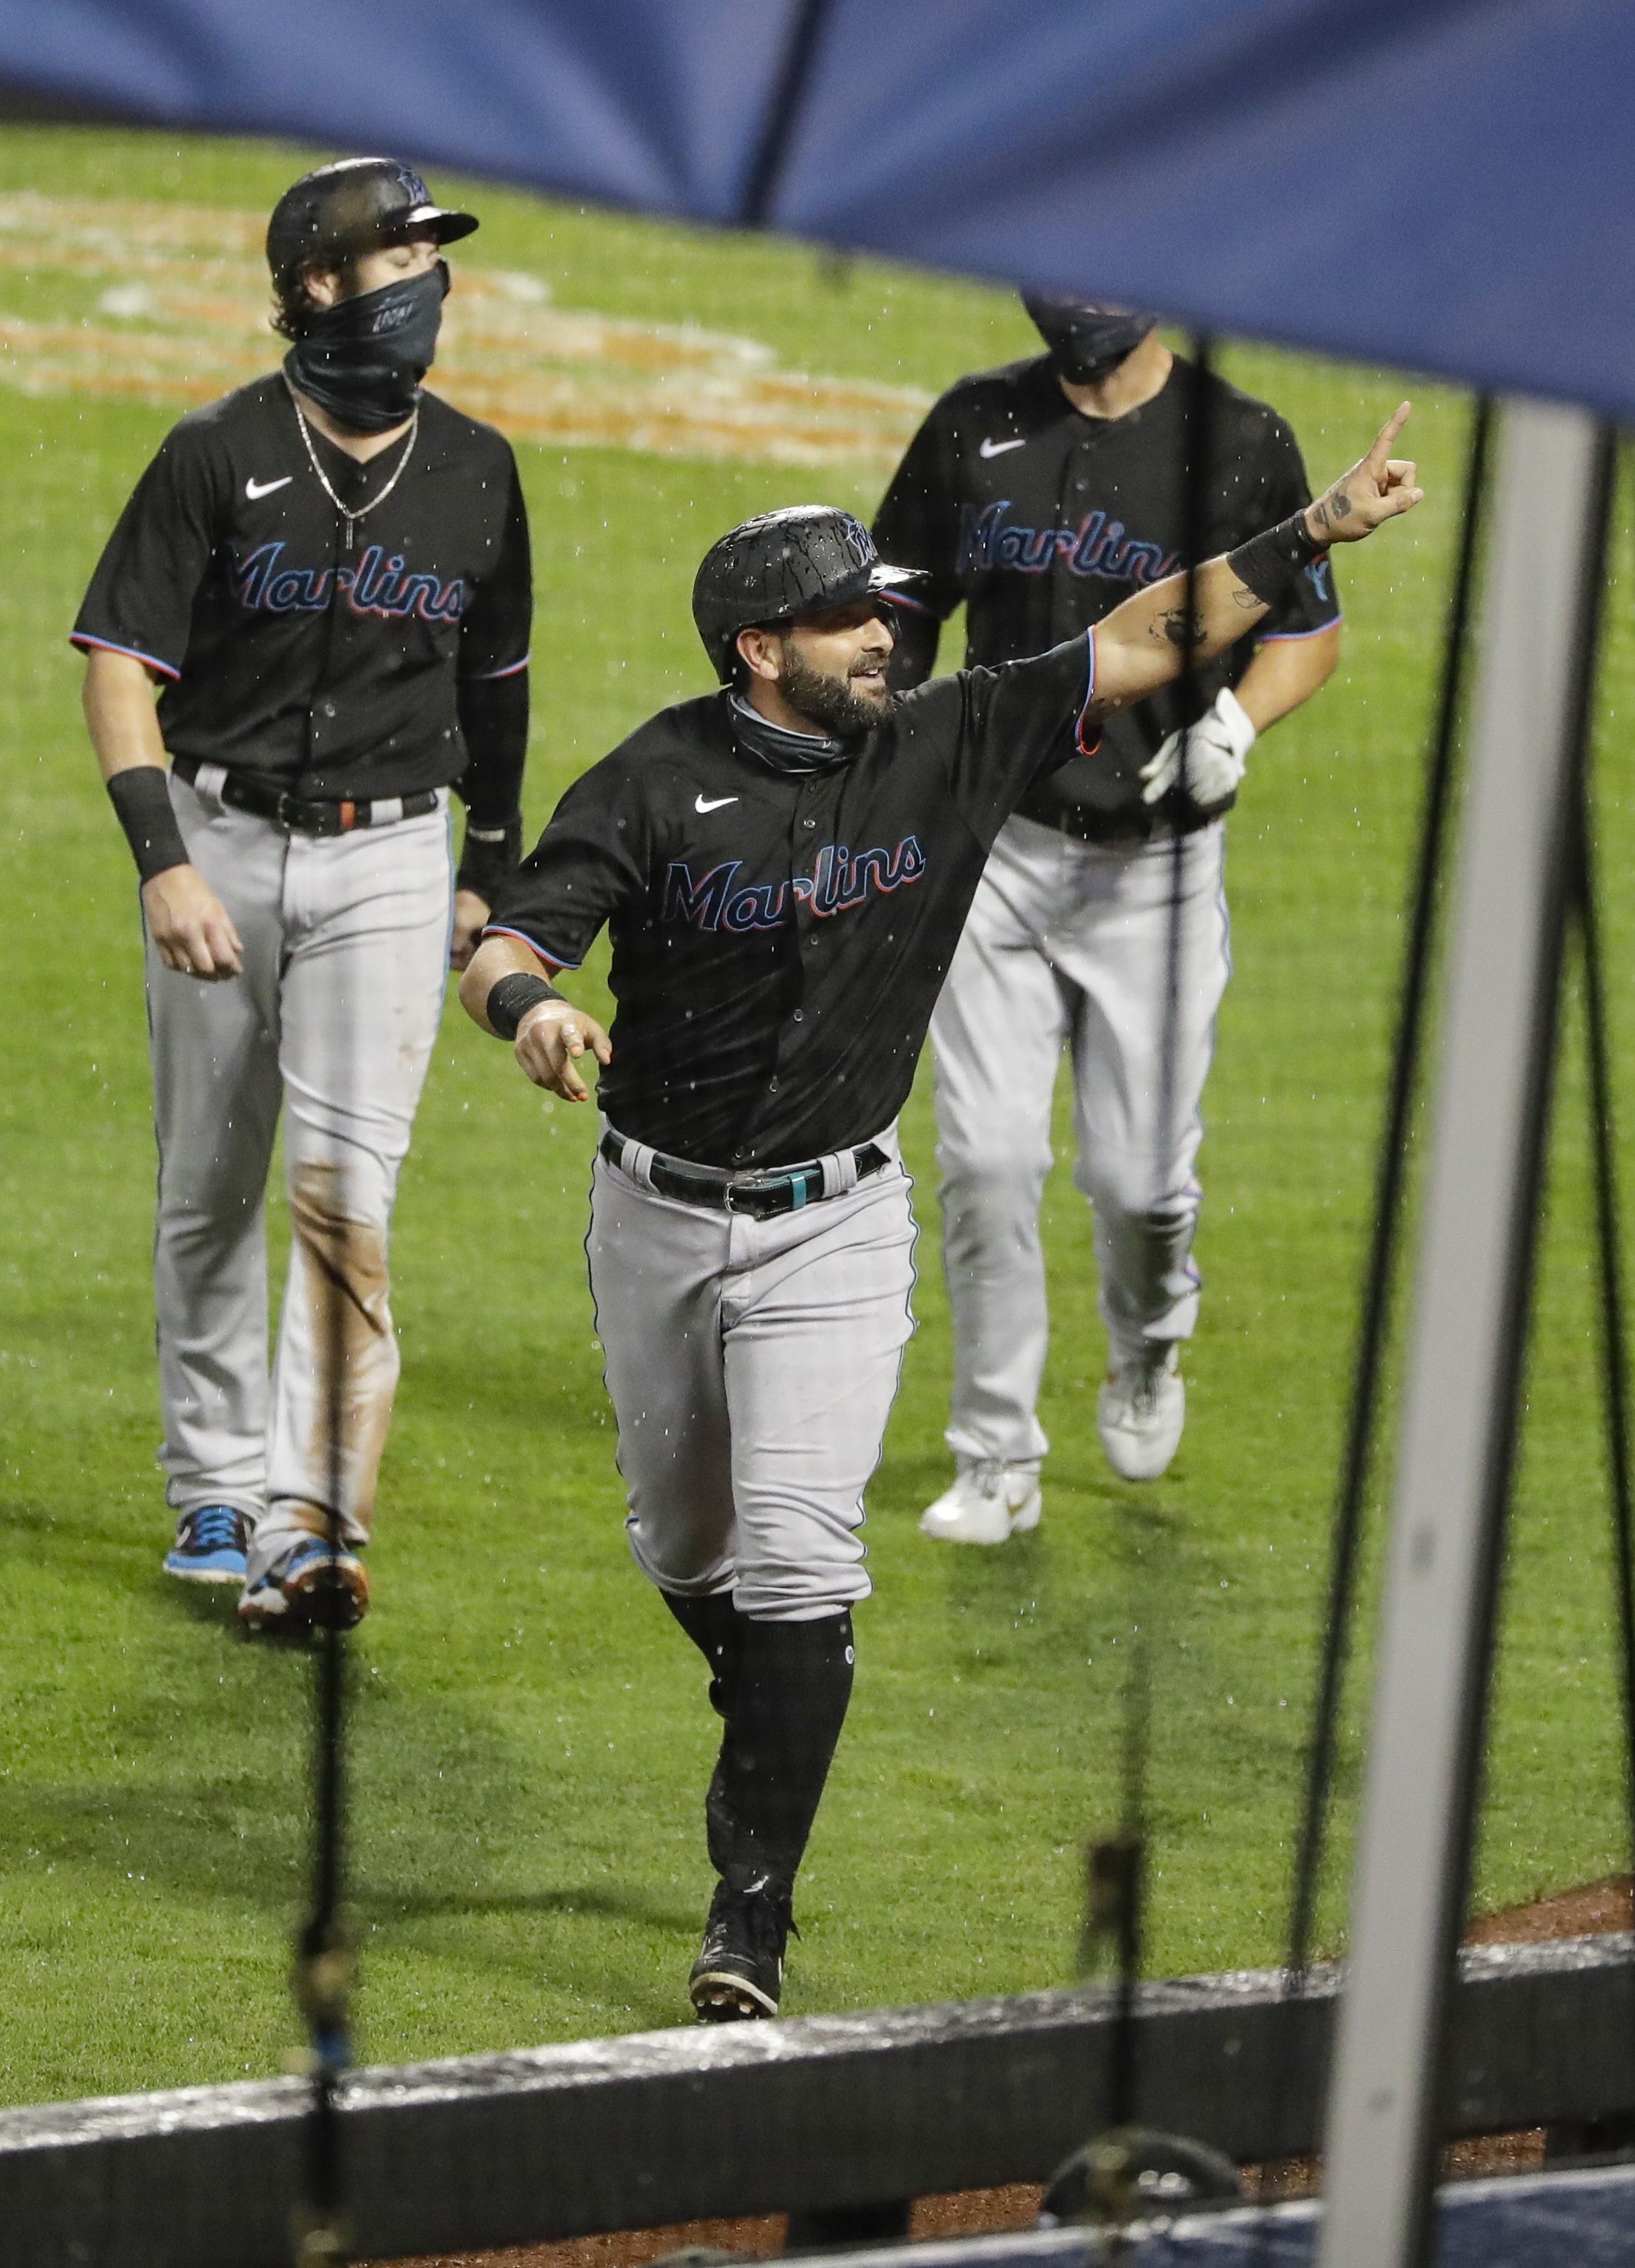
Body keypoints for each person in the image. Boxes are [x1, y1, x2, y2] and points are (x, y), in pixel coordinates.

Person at [458, 404, 1423, 2021]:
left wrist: (1311, 533)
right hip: (652, 1216)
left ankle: (746, 1910)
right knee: (682, 1540)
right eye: (847, 616)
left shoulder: (948, 733)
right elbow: (508, 936)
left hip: (835, 1222)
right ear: (760, 645)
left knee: (798, 1551)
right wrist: (530, 1014)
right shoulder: (651, 778)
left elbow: (1137, 635)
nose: (883, 631)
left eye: (883, 607)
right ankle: (777, 1713)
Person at [71, 158, 533, 1636]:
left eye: (430, 262)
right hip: (219, 839)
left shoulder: (477, 468)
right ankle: (211, 1483)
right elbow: (120, 670)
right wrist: (163, 865)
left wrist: (491, 875)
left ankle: (313, 1522)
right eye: (400, 260)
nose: (429, 286)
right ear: (319, 285)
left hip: (393, 861)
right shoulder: (216, 454)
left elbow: (498, 688)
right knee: (209, 1184)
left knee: (346, 1197)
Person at [870, 294, 1343, 1544]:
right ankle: (995, 1453)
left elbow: (1307, 633)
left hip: (1158, 880)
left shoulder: (1239, 439)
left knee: (1138, 1186)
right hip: (998, 858)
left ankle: (1147, 1351)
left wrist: (1232, 725)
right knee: (985, 1164)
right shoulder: (975, 427)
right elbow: (897, 624)